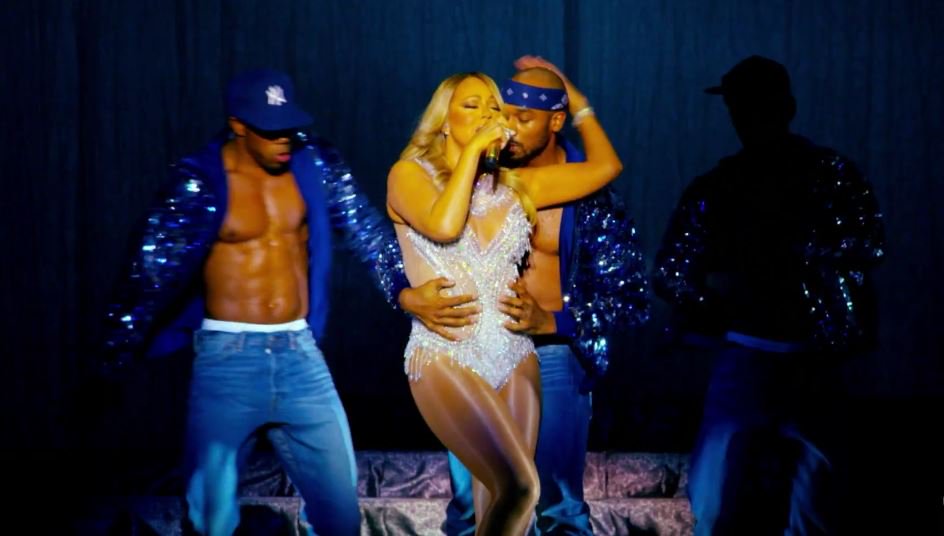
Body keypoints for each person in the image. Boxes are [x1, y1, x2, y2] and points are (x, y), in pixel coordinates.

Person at [100, 69, 408, 536]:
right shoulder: (199, 180)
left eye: (289, 126)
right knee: (211, 521)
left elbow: (366, 230)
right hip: (227, 364)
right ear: (238, 125)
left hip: (301, 358)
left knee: (341, 516)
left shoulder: (314, 163)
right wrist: (112, 358)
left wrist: (404, 288)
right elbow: (148, 273)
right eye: (270, 129)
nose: (284, 139)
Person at [397, 59, 649, 536]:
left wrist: (579, 102)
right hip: (455, 347)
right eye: (494, 109)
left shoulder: (540, 190)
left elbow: (608, 173)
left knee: (538, 501)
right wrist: (407, 296)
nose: (503, 122)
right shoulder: (426, 175)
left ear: (554, 121)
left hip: (532, 352)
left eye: (511, 114)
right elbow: (428, 236)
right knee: (492, 497)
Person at [653, 55, 885, 535]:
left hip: (795, 356)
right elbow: (673, 273)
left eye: (750, 107)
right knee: (735, 496)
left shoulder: (738, 183)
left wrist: (721, 304)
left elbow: (867, 244)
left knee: (733, 497)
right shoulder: (812, 175)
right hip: (772, 352)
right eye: (740, 108)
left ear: (784, 108)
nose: (744, 118)